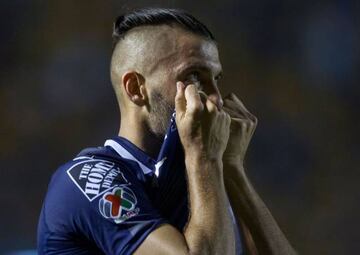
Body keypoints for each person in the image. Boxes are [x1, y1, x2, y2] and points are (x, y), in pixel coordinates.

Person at [37, 8, 296, 255]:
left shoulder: (203, 179)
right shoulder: (87, 179)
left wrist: (232, 168)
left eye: (216, 79)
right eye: (194, 76)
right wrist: (206, 157)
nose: (216, 98)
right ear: (136, 88)